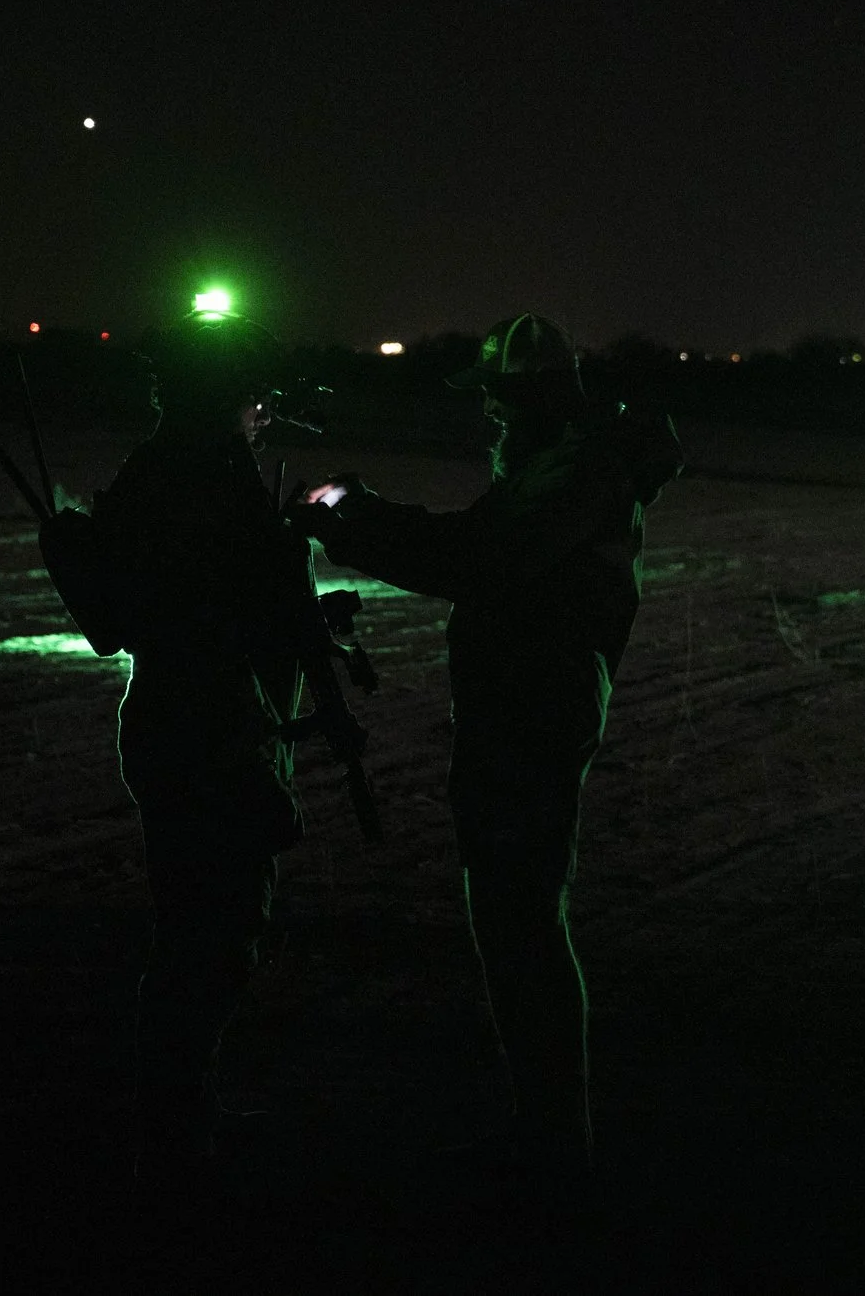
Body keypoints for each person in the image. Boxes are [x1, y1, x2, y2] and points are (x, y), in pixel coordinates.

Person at [293, 313, 682, 1175]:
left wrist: (351, 519)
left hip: (534, 718)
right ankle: (544, 1132)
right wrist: (363, 516)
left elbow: (476, 556)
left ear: (533, 396)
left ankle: (552, 1145)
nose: (492, 419)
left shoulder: (575, 473)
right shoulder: (567, 464)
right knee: (512, 921)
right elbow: (479, 548)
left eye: (501, 401)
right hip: (522, 712)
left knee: (522, 924)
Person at [36, 307, 338, 1180]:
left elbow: (119, 615)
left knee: (191, 931)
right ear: (234, 394)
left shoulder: (157, 471)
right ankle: (175, 1135)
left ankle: (176, 1115)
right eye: (257, 396)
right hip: (215, 736)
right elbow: (252, 606)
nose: (265, 413)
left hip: (171, 729)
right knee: (215, 935)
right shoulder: (213, 476)